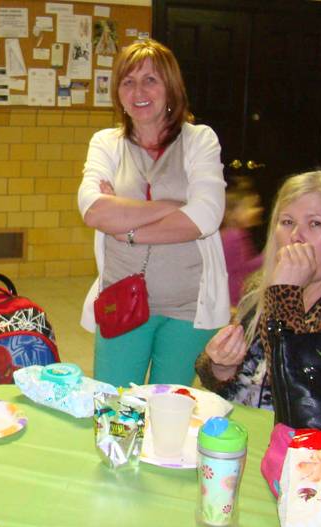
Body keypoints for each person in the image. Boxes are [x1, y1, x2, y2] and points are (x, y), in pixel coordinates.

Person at [77, 39, 229, 388]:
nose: (138, 92)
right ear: (118, 93)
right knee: (114, 403)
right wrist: (174, 208)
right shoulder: (106, 143)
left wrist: (126, 229)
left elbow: (206, 216)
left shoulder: (199, 140)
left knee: (169, 406)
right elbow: (94, 210)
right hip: (121, 299)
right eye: (128, 82)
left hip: (188, 308)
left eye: (150, 80)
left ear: (171, 88)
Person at [196, 170, 321, 409]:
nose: (296, 236)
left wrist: (284, 293)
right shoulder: (260, 287)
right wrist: (221, 367)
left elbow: (301, 392)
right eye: (287, 222)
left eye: (315, 223)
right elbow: (221, 378)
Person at [221, 181, 264, 307]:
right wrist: (268, 256)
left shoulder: (230, 234)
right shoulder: (234, 236)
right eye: (251, 207)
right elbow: (244, 268)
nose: (258, 210)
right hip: (233, 297)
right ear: (235, 213)